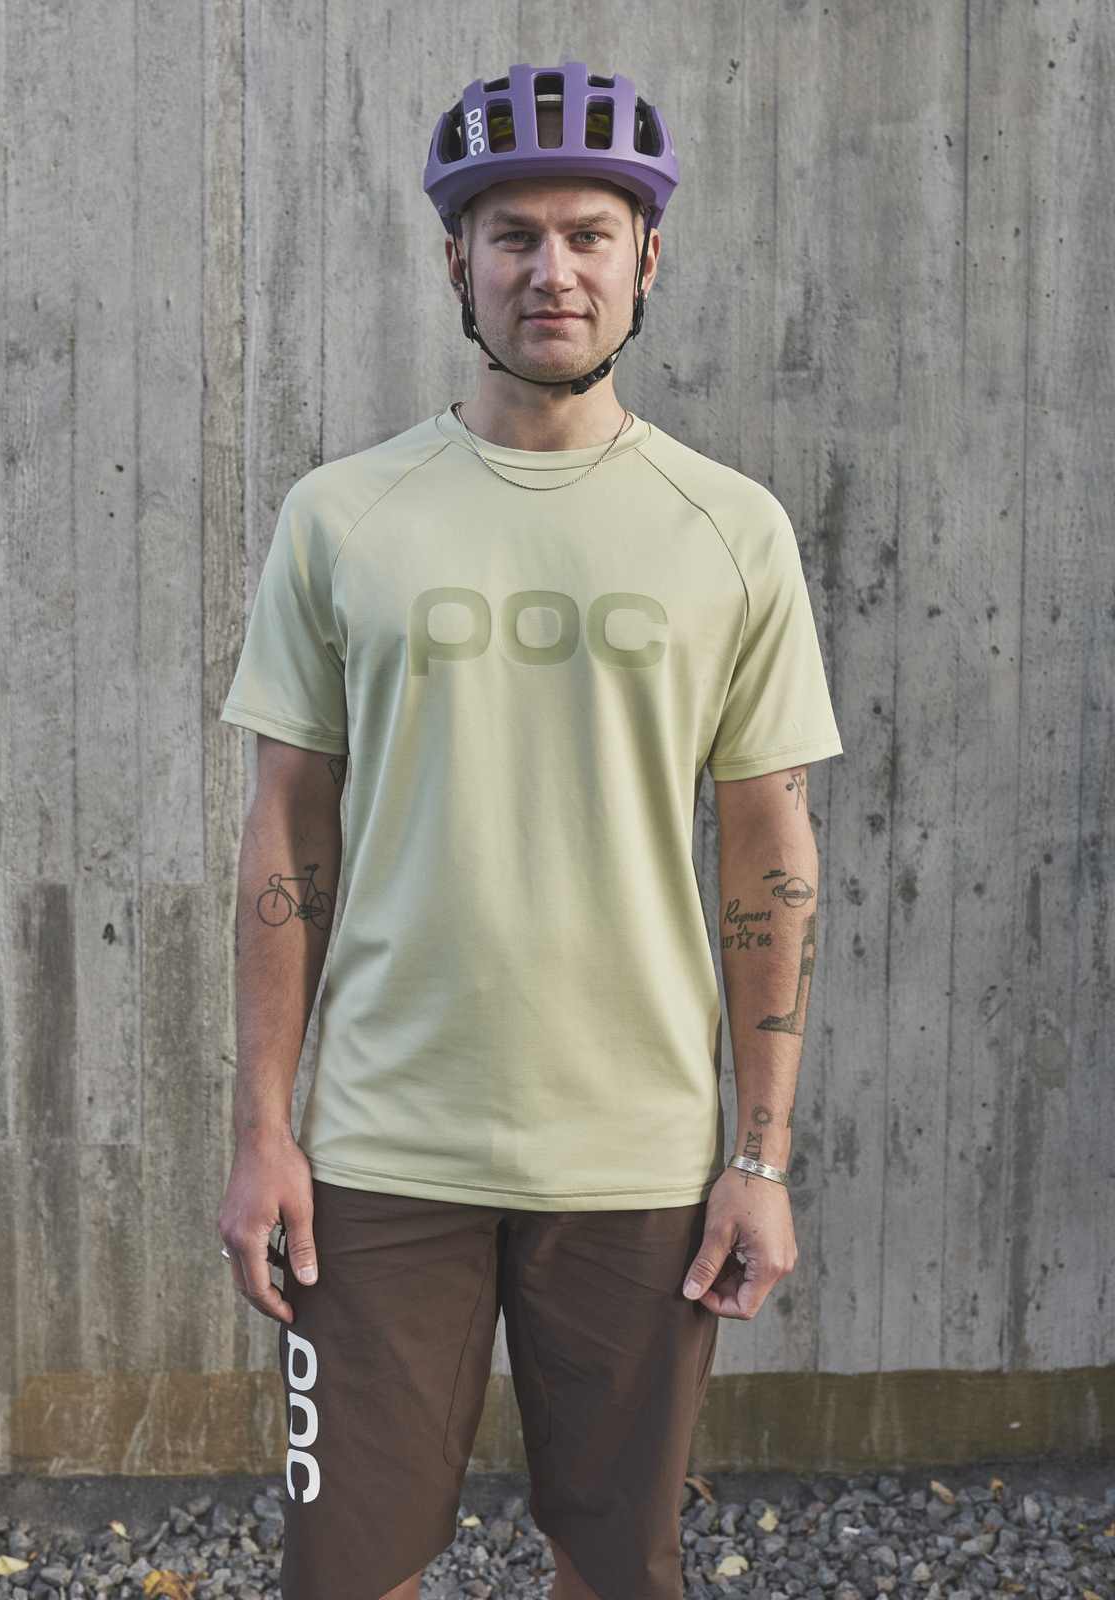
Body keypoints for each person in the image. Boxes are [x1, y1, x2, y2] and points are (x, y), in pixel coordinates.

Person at [217, 59, 843, 1600]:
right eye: (513, 236)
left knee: (617, 1568)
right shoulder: (343, 515)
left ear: (647, 258)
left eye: (587, 234)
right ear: (458, 260)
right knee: (346, 1571)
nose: (551, 270)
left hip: (635, 1153)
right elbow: (287, 833)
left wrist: (759, 1156)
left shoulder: (730, 530)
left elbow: (769, 856)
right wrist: (263, 1131)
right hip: (381, 1150)